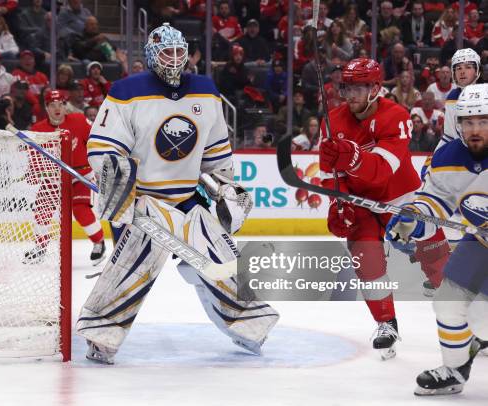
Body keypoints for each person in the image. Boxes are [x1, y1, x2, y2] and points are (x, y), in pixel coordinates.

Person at [76, 23, 278, 364]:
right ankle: (102, 336)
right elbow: (104, 147)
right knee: (133, 268)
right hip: (144, 201)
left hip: (186, 199)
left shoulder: (205, 91)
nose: (173, 59)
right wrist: (116, 177)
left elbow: (214, 154)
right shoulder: (127, 92)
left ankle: (250, 327)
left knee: (222, 261)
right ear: (152, 55)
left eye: (178, 52)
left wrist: (225, 188)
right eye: (166, 52)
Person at [318, 58, 445, 359]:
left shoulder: (397, 116)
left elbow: (384, 171)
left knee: (436, 258)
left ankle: (469, 317)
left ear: (375, 88)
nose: (351, 95)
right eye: (348, 87)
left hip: (401, 198)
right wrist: (338, 201)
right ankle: (386, 323)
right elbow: (329, 173)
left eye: (359, 88)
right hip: (361, 202)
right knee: (367, 260)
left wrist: (351, 158)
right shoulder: (332, 121)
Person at [386, 83, 488, 396]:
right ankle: (455, 370)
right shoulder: (447, 157)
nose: (475, 129)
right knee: (448, 303)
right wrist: (413, 219)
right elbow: (434, 201)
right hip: (481, 243)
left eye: (483, 121)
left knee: (482, 317)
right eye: (468, 122)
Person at [26, 89, 106, 266]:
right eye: (52, 105)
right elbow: (35, 157)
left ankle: (99, 243)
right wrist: (34, 171)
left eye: (60, 104)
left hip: (81, 174)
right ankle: (40, 248)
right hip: (53, 177)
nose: (57, 108)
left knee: (80, 209)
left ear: (65, 106)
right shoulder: (38, 130)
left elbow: (96, 142)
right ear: (46, 107)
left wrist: (100, 166)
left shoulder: (78, 121)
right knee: (43, 210)